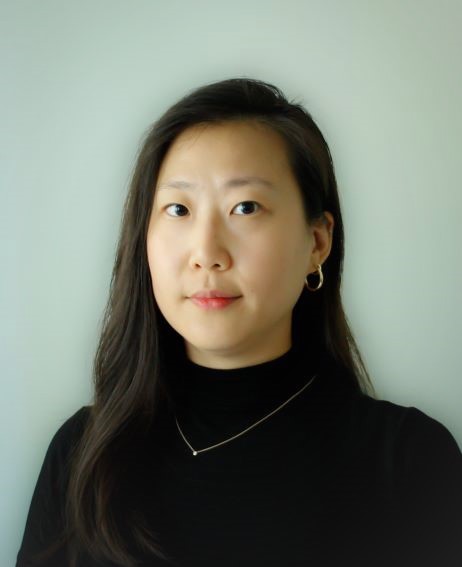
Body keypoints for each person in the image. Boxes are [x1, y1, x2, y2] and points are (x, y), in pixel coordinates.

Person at [17, 78, 462, 567]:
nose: (207, 253)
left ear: (317, 242)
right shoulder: (81, 457)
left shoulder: (409, 461)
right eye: (178, 209)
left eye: (245, 207)